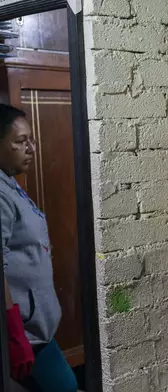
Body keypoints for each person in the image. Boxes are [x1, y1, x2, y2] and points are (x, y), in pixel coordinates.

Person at [0, 104, 77, 391]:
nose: (31, 148)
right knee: (65, 386)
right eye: (21, 142)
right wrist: (14, 331)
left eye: (31, 140)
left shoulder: (10, 182)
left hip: (35, 327)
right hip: (23, 332)